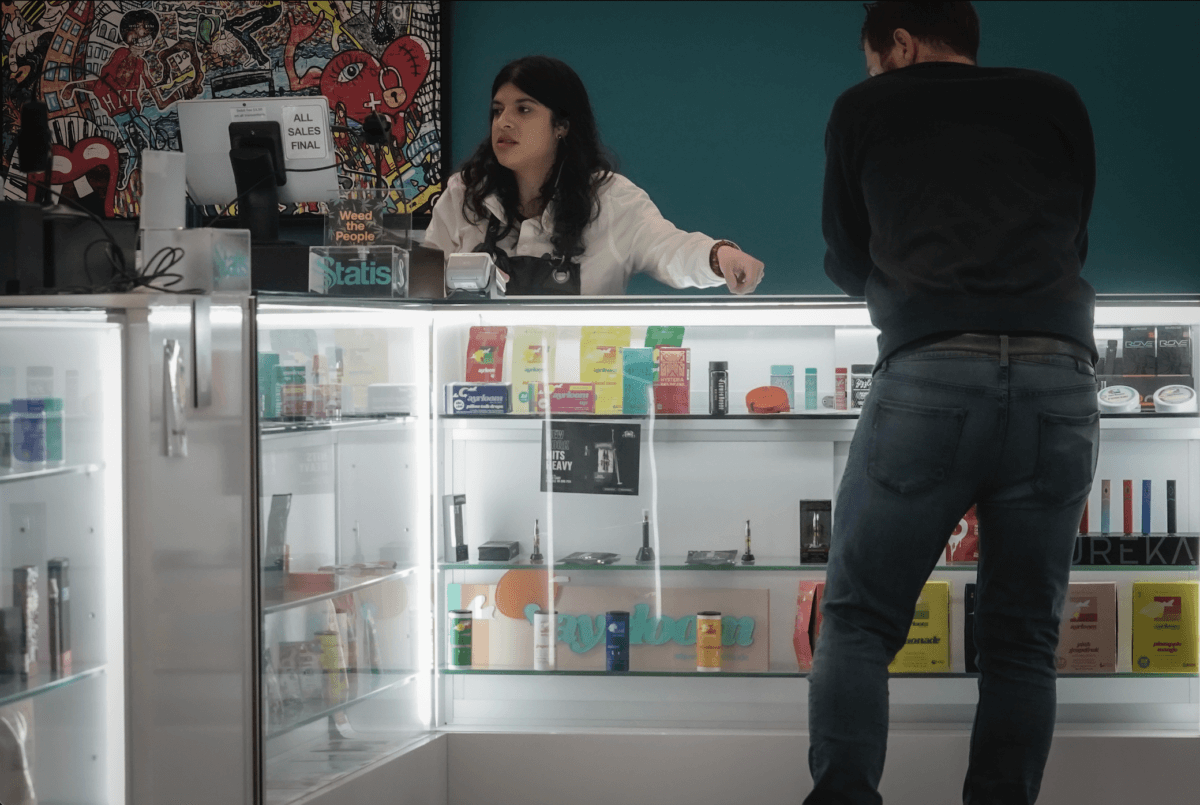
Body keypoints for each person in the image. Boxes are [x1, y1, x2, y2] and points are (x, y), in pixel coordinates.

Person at [810, 3, 1098, 804]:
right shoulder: (1058, 99)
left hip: (931, 373)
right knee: (1022, 641)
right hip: (1059, 377)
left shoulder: (863, 108)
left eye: (875, 61)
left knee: (861, 622)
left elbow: (846, 255)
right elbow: (1073, 240)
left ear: (898, 46)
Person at [424, 56, 764, 295]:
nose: (504, 122)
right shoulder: (464, 194)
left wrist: (720, 256)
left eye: (523, 109)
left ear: (561, 126)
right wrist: (461, 277)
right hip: (477, 391)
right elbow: (424, 279)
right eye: (497, 110)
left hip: (584, 391)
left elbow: (670, 249)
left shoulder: (612, 199)